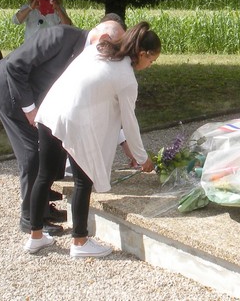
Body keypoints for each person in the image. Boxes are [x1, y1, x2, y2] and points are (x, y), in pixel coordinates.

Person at [24, 22, 160, 257]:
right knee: (83, 180)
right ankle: (80, 242)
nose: (150, 66)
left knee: (44, 175)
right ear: (142, 53)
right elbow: (130, 123)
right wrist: (142, 158)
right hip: (73, 121)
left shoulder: (100, 49)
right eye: (152, 60)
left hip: (50, 111)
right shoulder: (127, 78)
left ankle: (35, 237)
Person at [0, 14, 126, 236]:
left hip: (39, 99)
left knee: (54, 151)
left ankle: (43, 207)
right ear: (104, 38)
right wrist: (30, 109)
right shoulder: (60, 35)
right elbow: (14, 66)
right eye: (114, 47)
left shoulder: (91, 58)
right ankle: (30, 218)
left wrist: (123, 140)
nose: (113, 54)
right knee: (33, 155)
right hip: (8, 91)